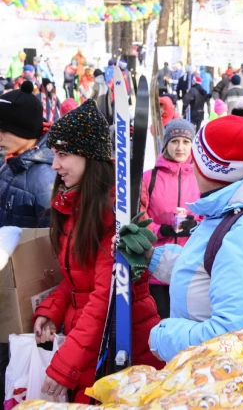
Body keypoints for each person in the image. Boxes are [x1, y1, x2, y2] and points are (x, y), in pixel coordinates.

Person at [119, 115, 243, 361]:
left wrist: (161, 335)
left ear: (206, 168)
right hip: (215, 375)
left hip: (228, 380)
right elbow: (212, 268)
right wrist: (151, 255)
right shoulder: (234, 206)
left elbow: (232, 337)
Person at [32, 100, 163, 403]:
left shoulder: (113, 215)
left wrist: (65, 367)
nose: (54, 165)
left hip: (118, 341)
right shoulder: (75, 205)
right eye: (54, 154)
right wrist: (51, 311)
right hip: (88, 339)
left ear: (90, 159)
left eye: (63, 155)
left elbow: (105, 300)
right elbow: (78, 280)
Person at [140, 119, 200, 319]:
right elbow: (139, 216)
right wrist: (159, 230)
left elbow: (210, 217)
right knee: (159, 323)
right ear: (166, 144)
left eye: (185, 141)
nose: (180, 147)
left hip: (189, 267)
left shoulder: (200, 177)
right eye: (175, 141)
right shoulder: (150, 178)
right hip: (156, 266)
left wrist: (195, 226)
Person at [0, 81, 55, 227]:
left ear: (24, 129)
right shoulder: (10, 162)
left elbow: (51, 242)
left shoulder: (47, 181)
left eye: (4, 130)